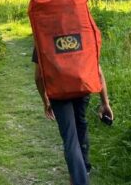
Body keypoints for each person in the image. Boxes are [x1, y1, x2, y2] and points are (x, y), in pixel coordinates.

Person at [32, 48, 113, 185]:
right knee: (81, 125)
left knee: (70, 136)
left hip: (58, 93)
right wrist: (105, 102)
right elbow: (97, 71)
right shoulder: (81, 32)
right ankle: (84, 171)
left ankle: (76, 179)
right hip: (81, 88)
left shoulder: (45, 34)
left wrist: (45, 100)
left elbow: (38, 76)